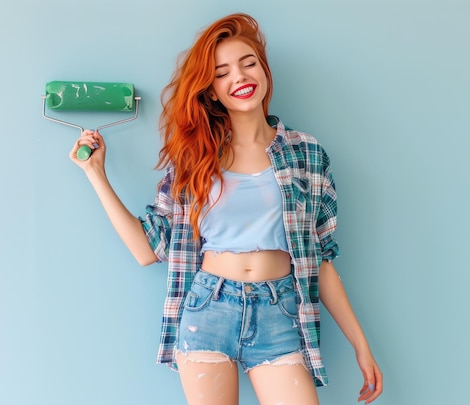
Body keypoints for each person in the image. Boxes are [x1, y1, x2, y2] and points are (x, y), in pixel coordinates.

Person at [70, 12, 382, 405]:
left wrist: (360, 345)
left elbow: (321, 259)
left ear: (264, 72)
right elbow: (146, 250)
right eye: (222, 72)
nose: (239, 76)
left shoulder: (307, 154)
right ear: (212, 91)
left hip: (280, 312)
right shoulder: (193, 160)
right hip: (208, 310)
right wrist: (96, 174)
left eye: (248, 63)